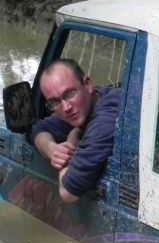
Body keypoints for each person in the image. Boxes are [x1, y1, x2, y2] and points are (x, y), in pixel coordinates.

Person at [31, 59, 119, 204]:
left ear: (88, 84)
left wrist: (71, 142)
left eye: (70, 93)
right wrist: (52, 149)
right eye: (55, 101)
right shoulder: (91, 100)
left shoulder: (105, 122)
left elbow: (68, 193)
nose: (66, 107)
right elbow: (38, 129)